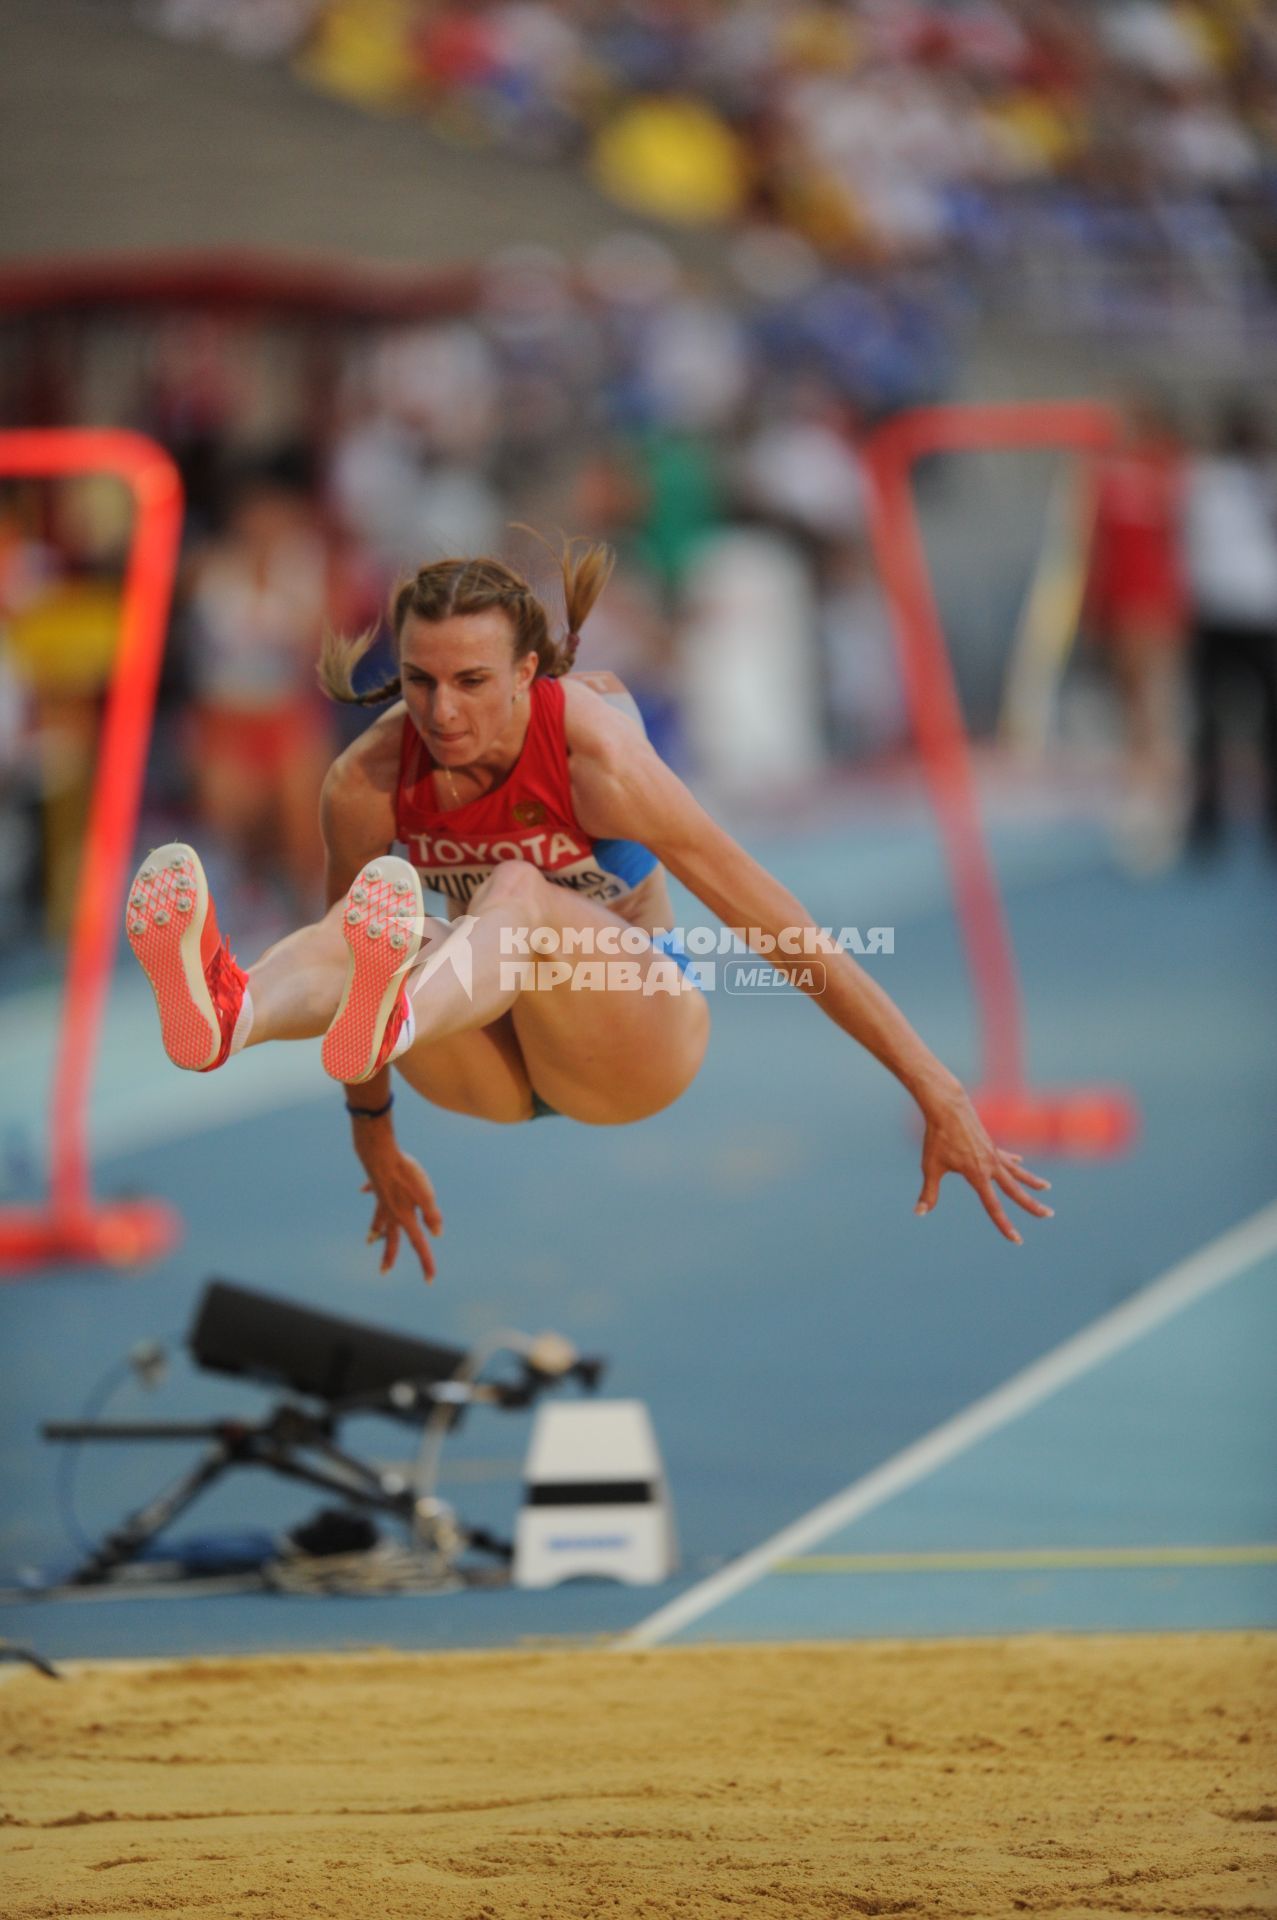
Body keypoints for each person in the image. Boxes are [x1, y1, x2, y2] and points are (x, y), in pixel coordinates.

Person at [125, 545, 1051, 1282]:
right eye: (419, 681)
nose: (441, 712)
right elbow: (339, 965)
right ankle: (228, 1017)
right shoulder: (365, 779)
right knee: (376, 928)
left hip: (628, 1033)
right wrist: (375, 1137)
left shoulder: (597, 757)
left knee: (515, 892)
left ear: (528, 671)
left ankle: (404, 1001)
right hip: (478, 1053)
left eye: (473, 682)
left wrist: (935, 1086)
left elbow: (777, 926)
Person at [1182, 400, 1277, 855]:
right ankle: (1207, 818)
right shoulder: (1207, 481)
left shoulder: (1263, 482)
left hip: (1257, 615)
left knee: (1261, 723)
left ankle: (1252, 820)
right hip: (1222, 613)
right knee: (1208, 722)